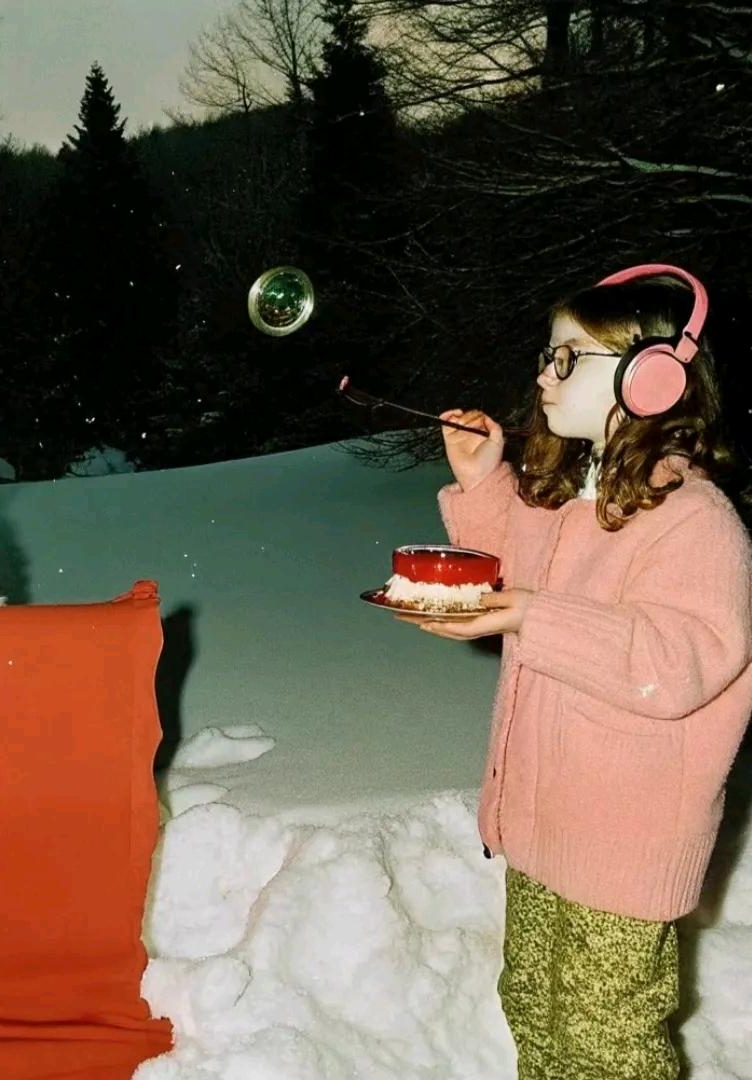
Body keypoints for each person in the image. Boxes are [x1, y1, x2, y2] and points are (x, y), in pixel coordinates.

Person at [404, 264, 752, 1079]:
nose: (543, 373)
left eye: (569, 359)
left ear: (653, 379)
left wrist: (531, 612)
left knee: (606, 1044)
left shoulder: (696, 523)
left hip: (623, 846)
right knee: (534, 1004)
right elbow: (511, 568)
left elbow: (676, 663)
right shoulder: (577, 500)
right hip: (543, 827)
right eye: (546, 355)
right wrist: (483, 479)